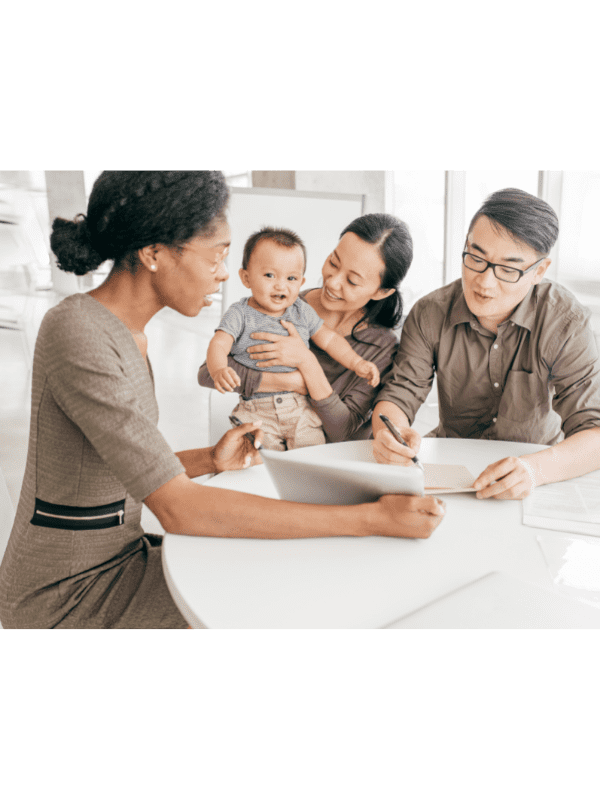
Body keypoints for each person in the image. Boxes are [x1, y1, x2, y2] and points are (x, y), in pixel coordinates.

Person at [0, 172, 445, 630]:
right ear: (154, 253)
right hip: (67, 597)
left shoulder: (128, 334)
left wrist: (209, 458)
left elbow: (118, 469)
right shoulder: (81, 332)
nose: (225, 273)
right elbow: (179, 508)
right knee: (285, 603)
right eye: (216, 255)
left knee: (291, 572)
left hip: (120, 559)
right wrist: (371, 518)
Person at [373, 188, 600, 501]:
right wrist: (389, 434)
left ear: (539, 271)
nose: (484, 282)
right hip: (450, 466)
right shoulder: (430, 313)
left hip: (535, 469)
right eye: (476, 258)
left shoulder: (565, 321)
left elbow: (594, 431)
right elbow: (400, 394)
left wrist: (535, 470)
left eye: (508, 269)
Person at [199, 213, 412, 443]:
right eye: (333, 262)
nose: (332, 282)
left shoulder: (382, 346)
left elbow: (343, 431)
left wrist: (307, 363)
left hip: (328, 455)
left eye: (352, 281)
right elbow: (207, 373)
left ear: (381, 291)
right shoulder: (283, 306)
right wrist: (291, 383)